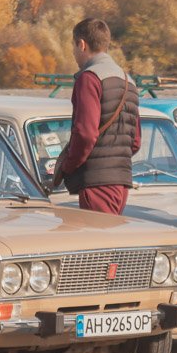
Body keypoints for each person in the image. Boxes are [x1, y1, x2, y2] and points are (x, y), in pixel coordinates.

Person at [56, 18, 141, 215]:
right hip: (121, 180)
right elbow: (135, 141)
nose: (74, 53)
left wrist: (68, 165)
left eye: (74, 46)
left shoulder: (89, 78)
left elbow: (85, 133)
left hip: (96, 180)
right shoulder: (129, 81)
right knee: (110, 241)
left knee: (98, 239)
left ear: (82, 44)